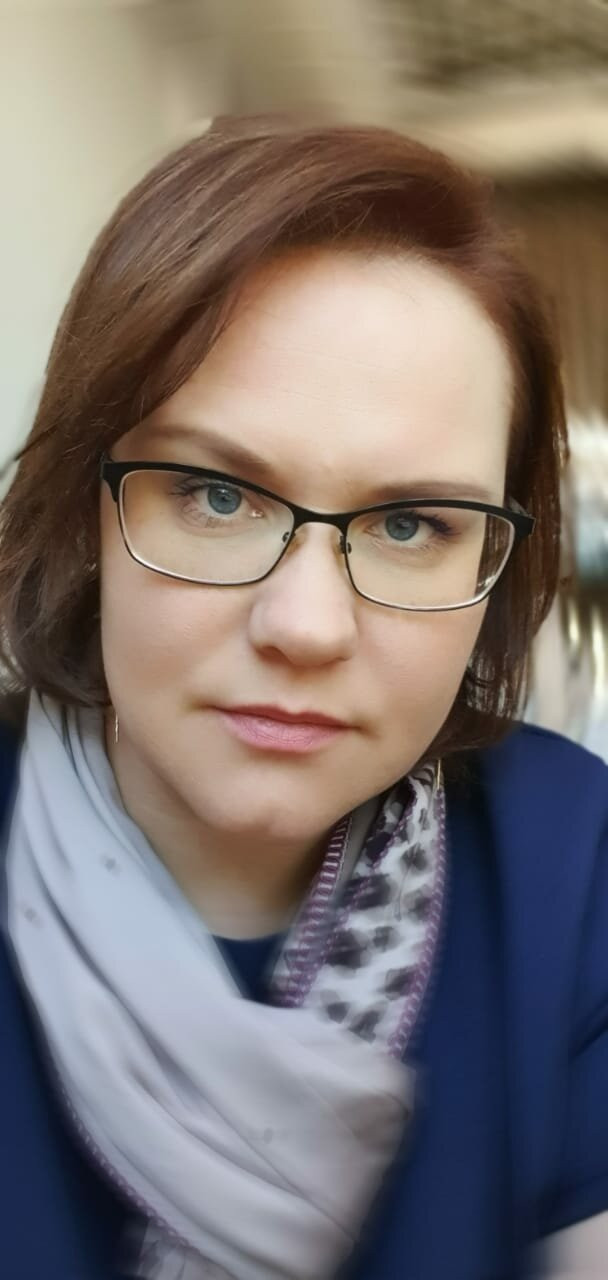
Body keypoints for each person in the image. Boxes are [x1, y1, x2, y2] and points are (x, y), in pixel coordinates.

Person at [0, 114, 606, 1280]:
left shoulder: (570, 866)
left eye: (409, 523)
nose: (308, 626)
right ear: (88, 510)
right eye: (217, 495)